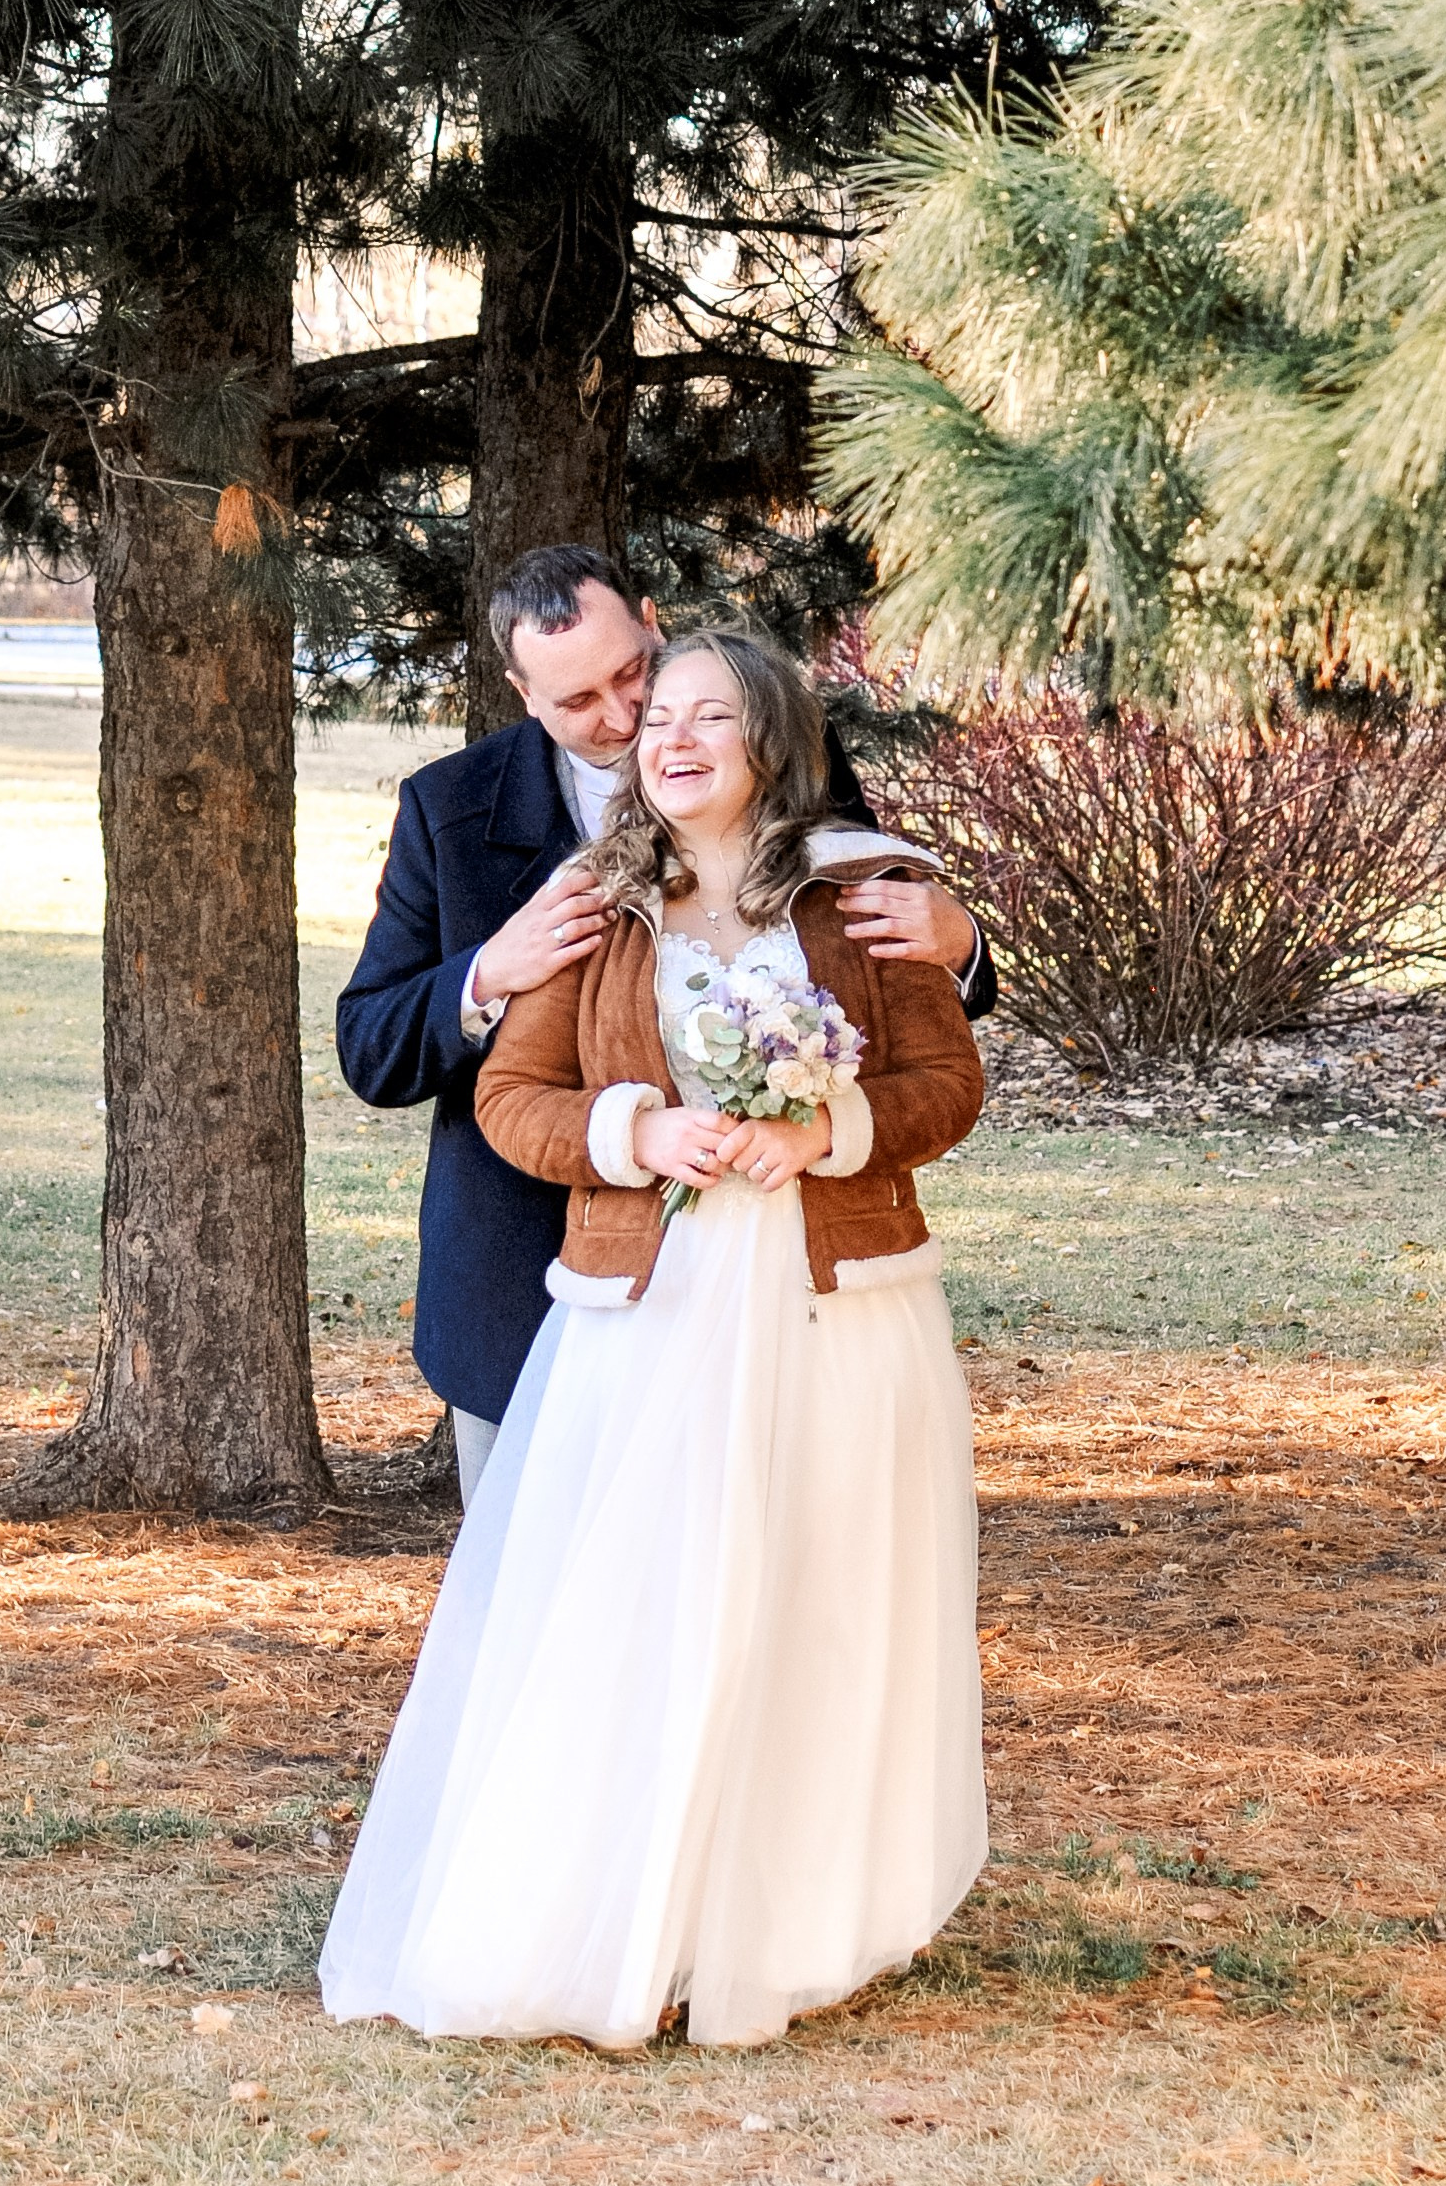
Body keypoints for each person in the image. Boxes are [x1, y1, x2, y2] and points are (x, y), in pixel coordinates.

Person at [319, 621, 987, 2050]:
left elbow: (946, 1081)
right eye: (655, 717)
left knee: (820, 1606)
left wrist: (828, 1128)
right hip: (648, 1319)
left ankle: (797, 1925)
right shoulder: (596, 901)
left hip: (838, 1308)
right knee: (640, 1607)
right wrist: (639, 1131)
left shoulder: (863, 887)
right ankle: (631, 1915)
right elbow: (514, 1102)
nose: (669, 737)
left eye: (710, 717)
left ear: (769, 744)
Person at [334, 545, 995, 1497]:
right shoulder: (448, 808)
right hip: (522, 1256)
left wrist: (960, 936)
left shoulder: (783, 761)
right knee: (543, 1582)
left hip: (772, 1270)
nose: (624, 718)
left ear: (651, 619)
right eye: (576, 702)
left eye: (630, 673)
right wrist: (487, 971)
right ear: (523, 694)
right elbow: (372, 1050)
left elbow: (874, 966)